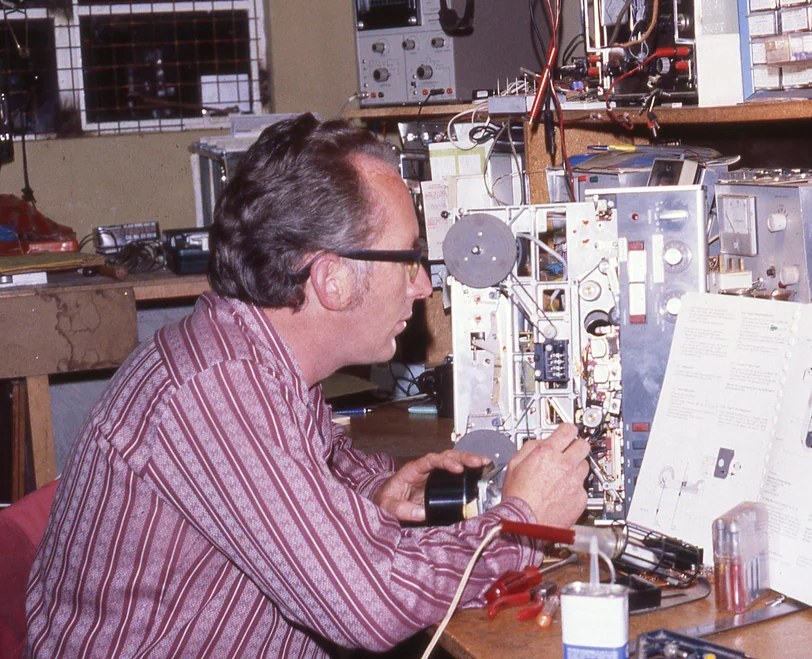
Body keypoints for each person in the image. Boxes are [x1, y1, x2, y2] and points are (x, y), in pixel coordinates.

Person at [24, 114, 591, 657]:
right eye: (408, 259)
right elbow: (370, 607)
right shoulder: (216, 392)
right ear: (332, 278)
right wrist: (524, 522)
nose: (422, 286)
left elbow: (315, 465)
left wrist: (380, 489)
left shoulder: (253, 358)